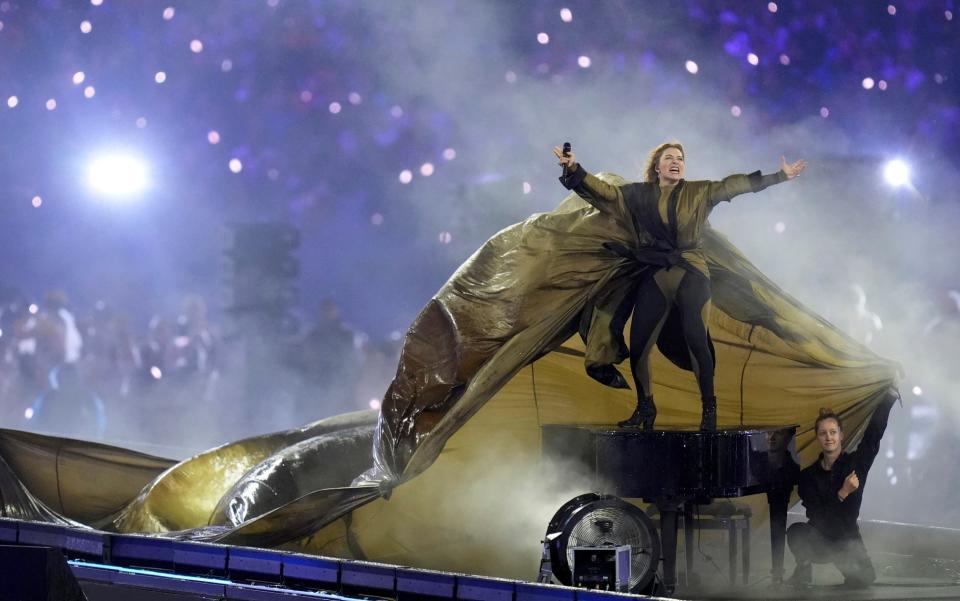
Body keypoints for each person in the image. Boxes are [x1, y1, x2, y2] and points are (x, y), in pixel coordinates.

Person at [554, 142, 806, 429]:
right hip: (656, 271)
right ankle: (646, 409)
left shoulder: (698, 191)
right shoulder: (638, 194)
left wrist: (779, 176)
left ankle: (708, 411)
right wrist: (574, 168)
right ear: (657, 167)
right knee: (639, 347)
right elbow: (604, 194)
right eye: (669, 158)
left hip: (691, 272)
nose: (676, 162)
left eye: (680, 158)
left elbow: (733, 185)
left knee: (697, 340)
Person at [786, 392, 898, 588]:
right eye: (823, 433)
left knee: (863, 581)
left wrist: (890, 396)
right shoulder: (808, 476)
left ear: (841, 435)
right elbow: (821, 519)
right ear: (818, 437)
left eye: (833, 432)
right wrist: (842, 493)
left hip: (847, 541)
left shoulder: (856, 465)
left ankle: (853, 569)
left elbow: (873, 436)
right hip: (820, 540)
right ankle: (803, 569)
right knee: (796, 532)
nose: (828, 437)